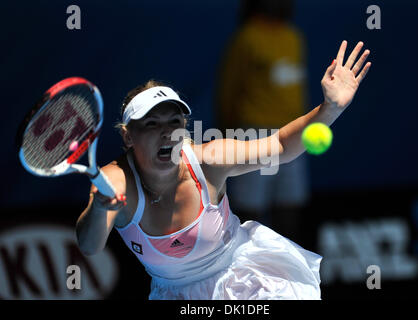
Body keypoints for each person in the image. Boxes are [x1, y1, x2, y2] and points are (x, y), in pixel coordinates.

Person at [75, 40, 371, 299]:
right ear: (128, 136)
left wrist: (330, 108)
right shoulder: (115, 180)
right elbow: (89, 246)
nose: (167, 133)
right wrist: (100, 208)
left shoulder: (210, 160)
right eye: (151, 124)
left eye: (174, 122)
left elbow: (281, 145)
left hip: (243, 280)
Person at [216, 0, 311, 239]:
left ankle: (288, 265)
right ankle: (248, 264)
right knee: (250, 206)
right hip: (254, 134)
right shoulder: (246, 38)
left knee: (290, 202)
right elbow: (229, 88)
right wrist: (227, 131)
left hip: (295, 133)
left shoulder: (294, 37)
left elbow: (298, 88)